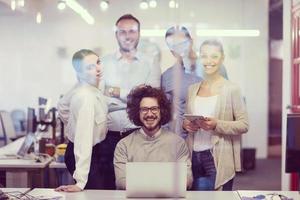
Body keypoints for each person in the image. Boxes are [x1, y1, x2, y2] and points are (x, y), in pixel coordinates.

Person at [100, 14, 161, 189]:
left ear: (139, 34)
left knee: (140, 187)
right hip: (108, 136)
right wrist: (135, 96)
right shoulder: (104, 62)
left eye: (132, 31)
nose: (128, 36)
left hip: (140, 136)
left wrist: (115, 92)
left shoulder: (151, 63)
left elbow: (152, 97)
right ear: (116, 35)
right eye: (122, 32)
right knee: (109, 187)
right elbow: (100, 99)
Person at [183, 39, 249, 191]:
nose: (209, 61)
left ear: (222, 58)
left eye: (214, 56)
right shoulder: (192, 89)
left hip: (216, 158)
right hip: (193, 156)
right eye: (204, 56)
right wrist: (186, 124)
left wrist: (216, 124)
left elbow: (244, 124)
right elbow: (187, 119)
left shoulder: (232, 89)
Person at [114, 85, 193, 190]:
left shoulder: (178, 143)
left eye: (154, 109)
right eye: (144, 109)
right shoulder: (124, 145)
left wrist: (140, 182)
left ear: (162, 111)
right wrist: (165, 182)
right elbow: (121, 182)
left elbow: (187, 180)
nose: (149, 114)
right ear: (137, 112)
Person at [55, 49, 108, 192]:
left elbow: (62, 106)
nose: (97, 69)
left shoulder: (90, 87)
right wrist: (80, 181)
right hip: (84, 153)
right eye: (90, 67)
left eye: (98, 62)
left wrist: (73, 123)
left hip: (94, 152)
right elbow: (83, 140)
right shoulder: (86, 97)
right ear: (80, 73)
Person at [161, 26, 228, 138]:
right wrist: (181, 124)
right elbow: (164, 118)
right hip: (184, 145)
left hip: (214, 141)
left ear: (191, 42)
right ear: (172, 51)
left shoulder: (215, 67)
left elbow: (228, 103)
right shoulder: (168, 77)